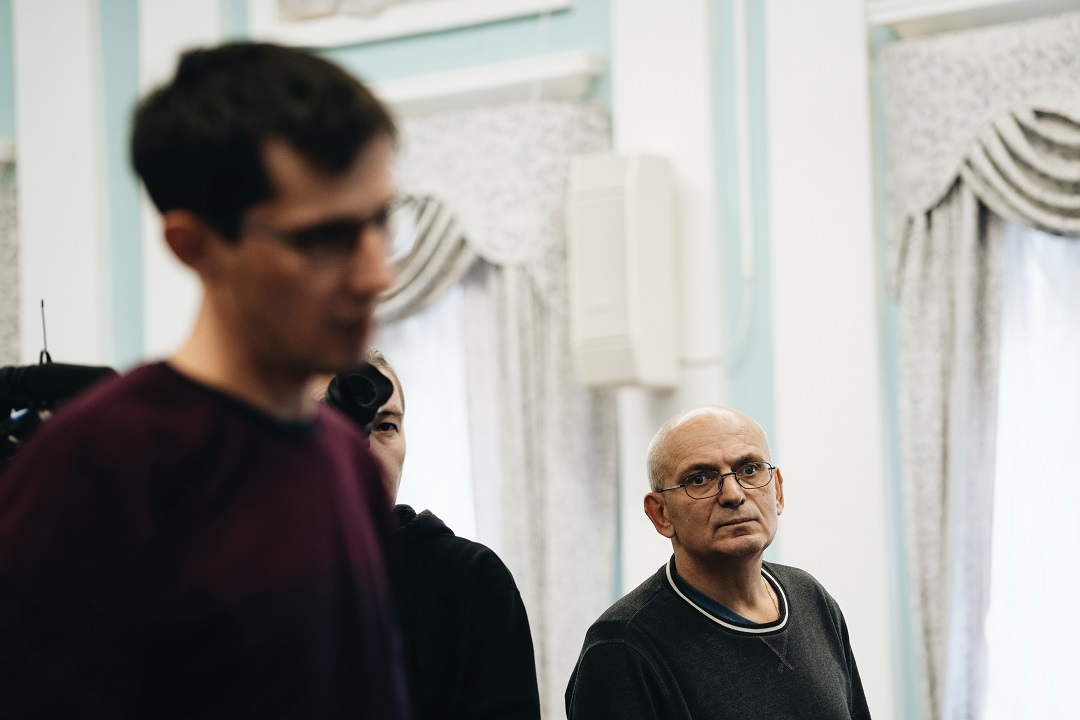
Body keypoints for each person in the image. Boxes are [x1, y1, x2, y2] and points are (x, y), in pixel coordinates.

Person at [0, 43, 408, 719]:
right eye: (323, 238)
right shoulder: (95, 467)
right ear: (194, 246)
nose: (376, 273)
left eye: (380, 222)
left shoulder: (345, 459)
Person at [565, 406, 871, 720]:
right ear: (661, 513)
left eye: (749, 469)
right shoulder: (621, 647)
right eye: (699, 479)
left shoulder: (810, 598)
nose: (733, 494)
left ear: (777, 490)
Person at [344, 349, 542, 720]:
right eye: (338, 422)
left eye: (386, 426)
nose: (365, 447)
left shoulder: (471, 578)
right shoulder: (249, 578)